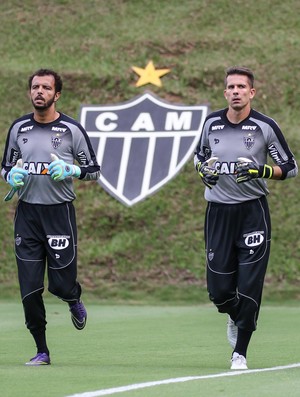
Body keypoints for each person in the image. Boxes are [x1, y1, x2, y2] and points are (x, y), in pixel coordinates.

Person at [194, 66, 298, 370]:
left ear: (251, 92)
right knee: (219, 291)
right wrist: (204, 171)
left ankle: (239, 352)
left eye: (242, 87)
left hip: (253, 212)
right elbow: (200, 156)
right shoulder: (211, 123)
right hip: (218, 213)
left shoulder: (265, 126)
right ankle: (235, 314)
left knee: (250, 283)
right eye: (231, 87)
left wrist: (261, 171)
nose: (236, 91)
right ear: (225, 92)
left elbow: (290, 167)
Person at [1, 68, 101, 366]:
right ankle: (42, 350)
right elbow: (5, 166)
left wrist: (71, 170)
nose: (39, 92)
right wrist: (12, 175)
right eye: (35, 87)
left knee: (60, 284)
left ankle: (72, 299)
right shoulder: (19, 128)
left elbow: (93, 170)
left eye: (46, 87)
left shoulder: (71, 130)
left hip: (59, 214)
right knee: (30, 288)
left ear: (57, 94)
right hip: (28, 215)